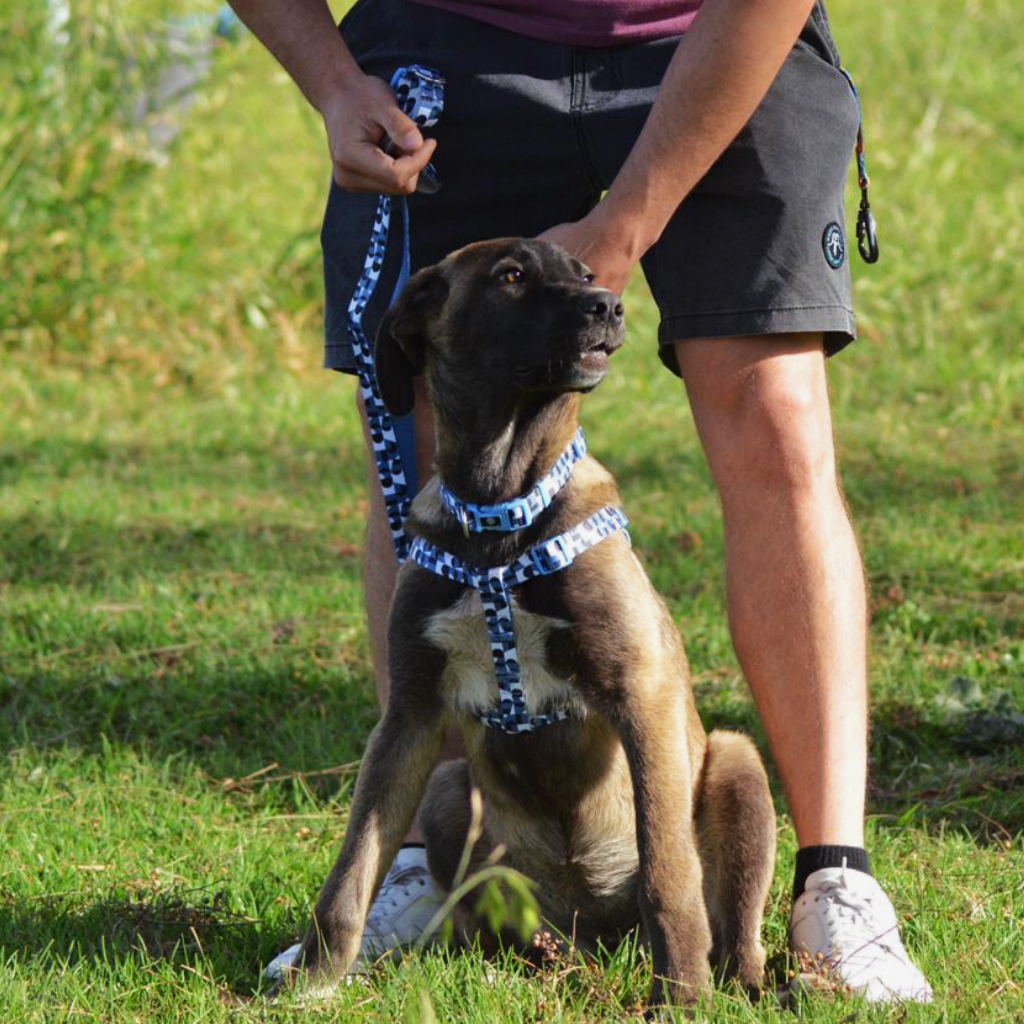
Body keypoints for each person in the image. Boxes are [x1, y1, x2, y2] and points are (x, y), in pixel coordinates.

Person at [230, 0, 932, 1003]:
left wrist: (629, 219)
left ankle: (834, 881)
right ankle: (433, 858)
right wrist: (333, 82)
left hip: (717, 32)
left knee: (774, 412)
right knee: (433, 425)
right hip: (451, 35)